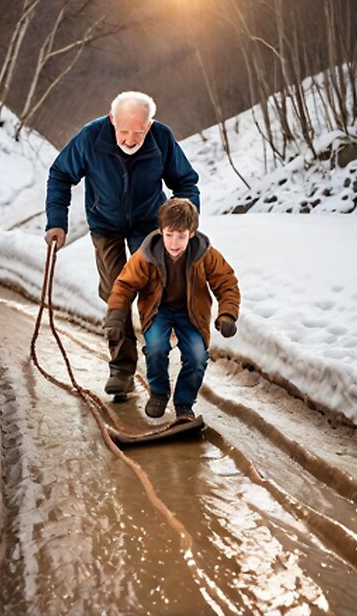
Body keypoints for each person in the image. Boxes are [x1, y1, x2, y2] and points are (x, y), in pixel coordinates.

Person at [45, 92, 201, 398]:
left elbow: (185, 182)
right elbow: (60, 175)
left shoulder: (161, 138)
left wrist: (184, 222)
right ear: (112, 119)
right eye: (124, 132)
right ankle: (122, 369)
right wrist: (56, 222)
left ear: (149, 125)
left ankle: (161, 365)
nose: (130, 140)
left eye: (138, 133)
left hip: (149, 222)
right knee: (118, 291)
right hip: (106, 226)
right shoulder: (91, 137)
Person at [102, 199, 240, 420]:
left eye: (181, 236)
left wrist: (228, 313)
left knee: (196, 356)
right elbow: (124, 285)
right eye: (169, 235)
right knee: (156, 348)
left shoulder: (205, 254)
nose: (174, 243)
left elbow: (226, 283)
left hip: (191, 312)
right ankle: (158, 393)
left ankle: (184, 404)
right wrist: (116, 318)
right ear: (161, 231)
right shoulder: (147, 255)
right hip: (158, 311)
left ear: (192, 234)